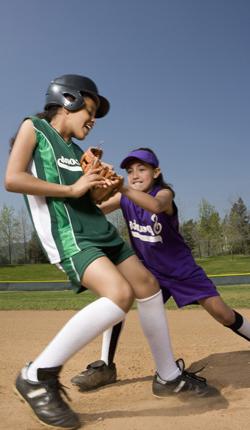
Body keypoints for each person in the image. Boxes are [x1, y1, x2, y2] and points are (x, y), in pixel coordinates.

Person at [5, 77, 214, 430]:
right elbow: (13, 178)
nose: (93, 119)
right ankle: (37, 374)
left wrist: (102, 186)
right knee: (120, 295)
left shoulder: (78, 152)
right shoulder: (36, 127)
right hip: (71, 234)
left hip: (100, 231)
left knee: (147, 285)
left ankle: (167, 377)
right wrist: (74, 188)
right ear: (67, 101)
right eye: (90, 110)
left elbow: (93, 200)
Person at [71, 147, 250, 392]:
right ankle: (105, 365)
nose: (134, 175)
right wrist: (84, 186)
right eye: (130, 171)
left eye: (142, 169)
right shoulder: (124, 198)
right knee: (117, 297)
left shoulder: (163, 194)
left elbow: (156, 206)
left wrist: (122, 187)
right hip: (148, 271)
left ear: (156, 172)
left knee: (224, 315)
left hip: (181, 269)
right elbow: (95, 210)